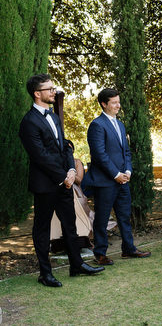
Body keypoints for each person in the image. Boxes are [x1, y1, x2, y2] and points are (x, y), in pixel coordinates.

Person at [19, 74, 104, 287]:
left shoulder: (54, 117)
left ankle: (77, 265)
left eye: (53, 88)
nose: (53, 91)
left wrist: (71, 172)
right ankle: (45, 274)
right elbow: (40, 157)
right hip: (45, 185)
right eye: (49, 89)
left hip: (65, 181)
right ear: (37, 94)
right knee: (42, 229)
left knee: (70, 225)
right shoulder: (29, 122)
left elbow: (65, 146)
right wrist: (63, 177)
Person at [86, 89, 151, 265]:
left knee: (124, 216)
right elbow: (99, 155)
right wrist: (116, 175)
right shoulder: (97, 125)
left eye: (118, 101)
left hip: (123, 181)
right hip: (106, 182)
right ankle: (100, 254)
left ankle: (128, 249)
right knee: (102, 218)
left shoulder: (120, 125)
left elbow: (126, 152)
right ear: (103, 104)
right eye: (114, 102)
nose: (118, 105)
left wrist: (127, 172)